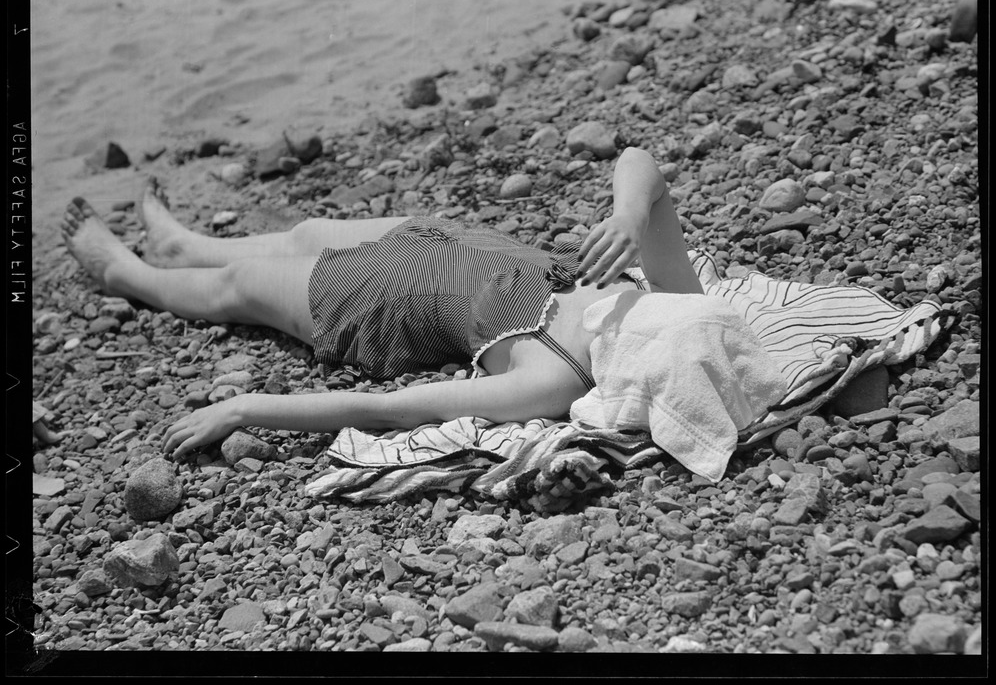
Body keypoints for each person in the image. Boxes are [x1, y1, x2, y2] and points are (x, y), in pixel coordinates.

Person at [61, 146, 704, 461]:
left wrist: (242, 406)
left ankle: (132, 277)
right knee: (308, 232)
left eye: (646, 324)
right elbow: (640, 165)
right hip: (457, 244)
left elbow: (388, 410)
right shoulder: (677, 312)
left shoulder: (551, 377)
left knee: (241, 286)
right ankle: (183, 245)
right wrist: (626, 216)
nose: (640, 308)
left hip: (392, 300)